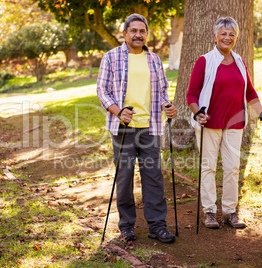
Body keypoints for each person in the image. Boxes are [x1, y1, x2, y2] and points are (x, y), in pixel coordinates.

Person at [97, 13, 177, 243]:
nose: (138, 35)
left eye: (142, 31)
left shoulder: (154, 59)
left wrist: (167, 105)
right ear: (125, 33)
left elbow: (162, 91)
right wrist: (118, 111)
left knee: (153, 178)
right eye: (134, 30)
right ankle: (126, 226)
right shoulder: (111, 57)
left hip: (150, 128)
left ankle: (157, 226)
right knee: (124, 178)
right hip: (123, 128)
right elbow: (102, 90)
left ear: (146, 34)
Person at [186, 17, 262, 229]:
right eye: (223, 33)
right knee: (208, 167)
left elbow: (250, 92)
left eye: (232, 34)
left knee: (232, 168)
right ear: (215, 36)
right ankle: (209, 212)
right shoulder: (204, 61)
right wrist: (198, 113)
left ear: (236, 37)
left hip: (235, 123)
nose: (227, 37)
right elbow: (191, 95)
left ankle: (230, 211)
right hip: (209, 124)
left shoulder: (240, 62)